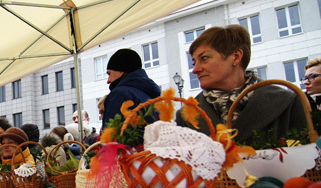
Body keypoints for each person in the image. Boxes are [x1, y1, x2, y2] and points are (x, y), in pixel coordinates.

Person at [175, 25, 307, 145]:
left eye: (204, 58)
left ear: (236, 57)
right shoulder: (185, 116)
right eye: (194, 62)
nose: (195, 69)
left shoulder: (287, 101)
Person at [102, 48, 161, 129]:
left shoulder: (120, 94)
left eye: (109, 74)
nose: (108, 81)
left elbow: (112, 135)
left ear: (121, 72)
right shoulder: (151, 95)